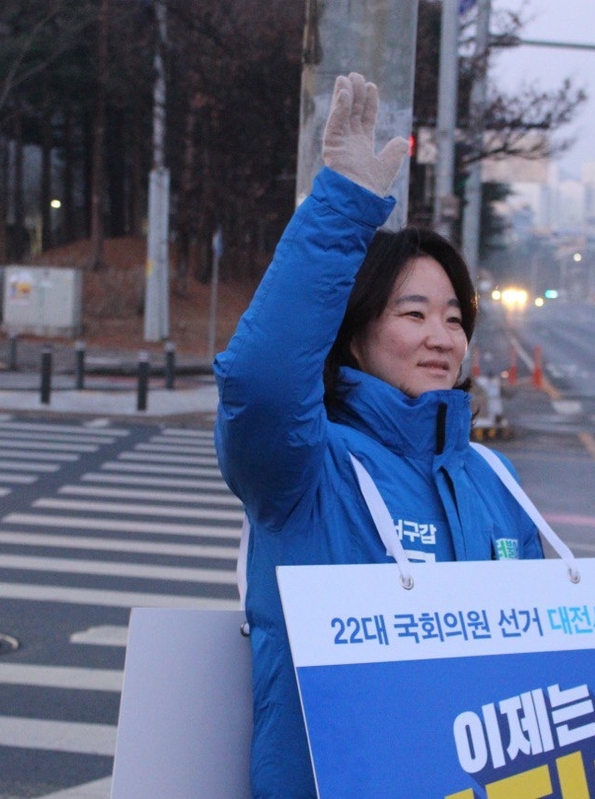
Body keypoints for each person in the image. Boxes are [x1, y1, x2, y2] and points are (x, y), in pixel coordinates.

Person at [214, 73, 544, 798]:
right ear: (356, 334)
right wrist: (342, 209)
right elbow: (261, 381)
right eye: (414, 313)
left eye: (456, 318)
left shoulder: (494, 483)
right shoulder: (306, 468)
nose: (442, 337)